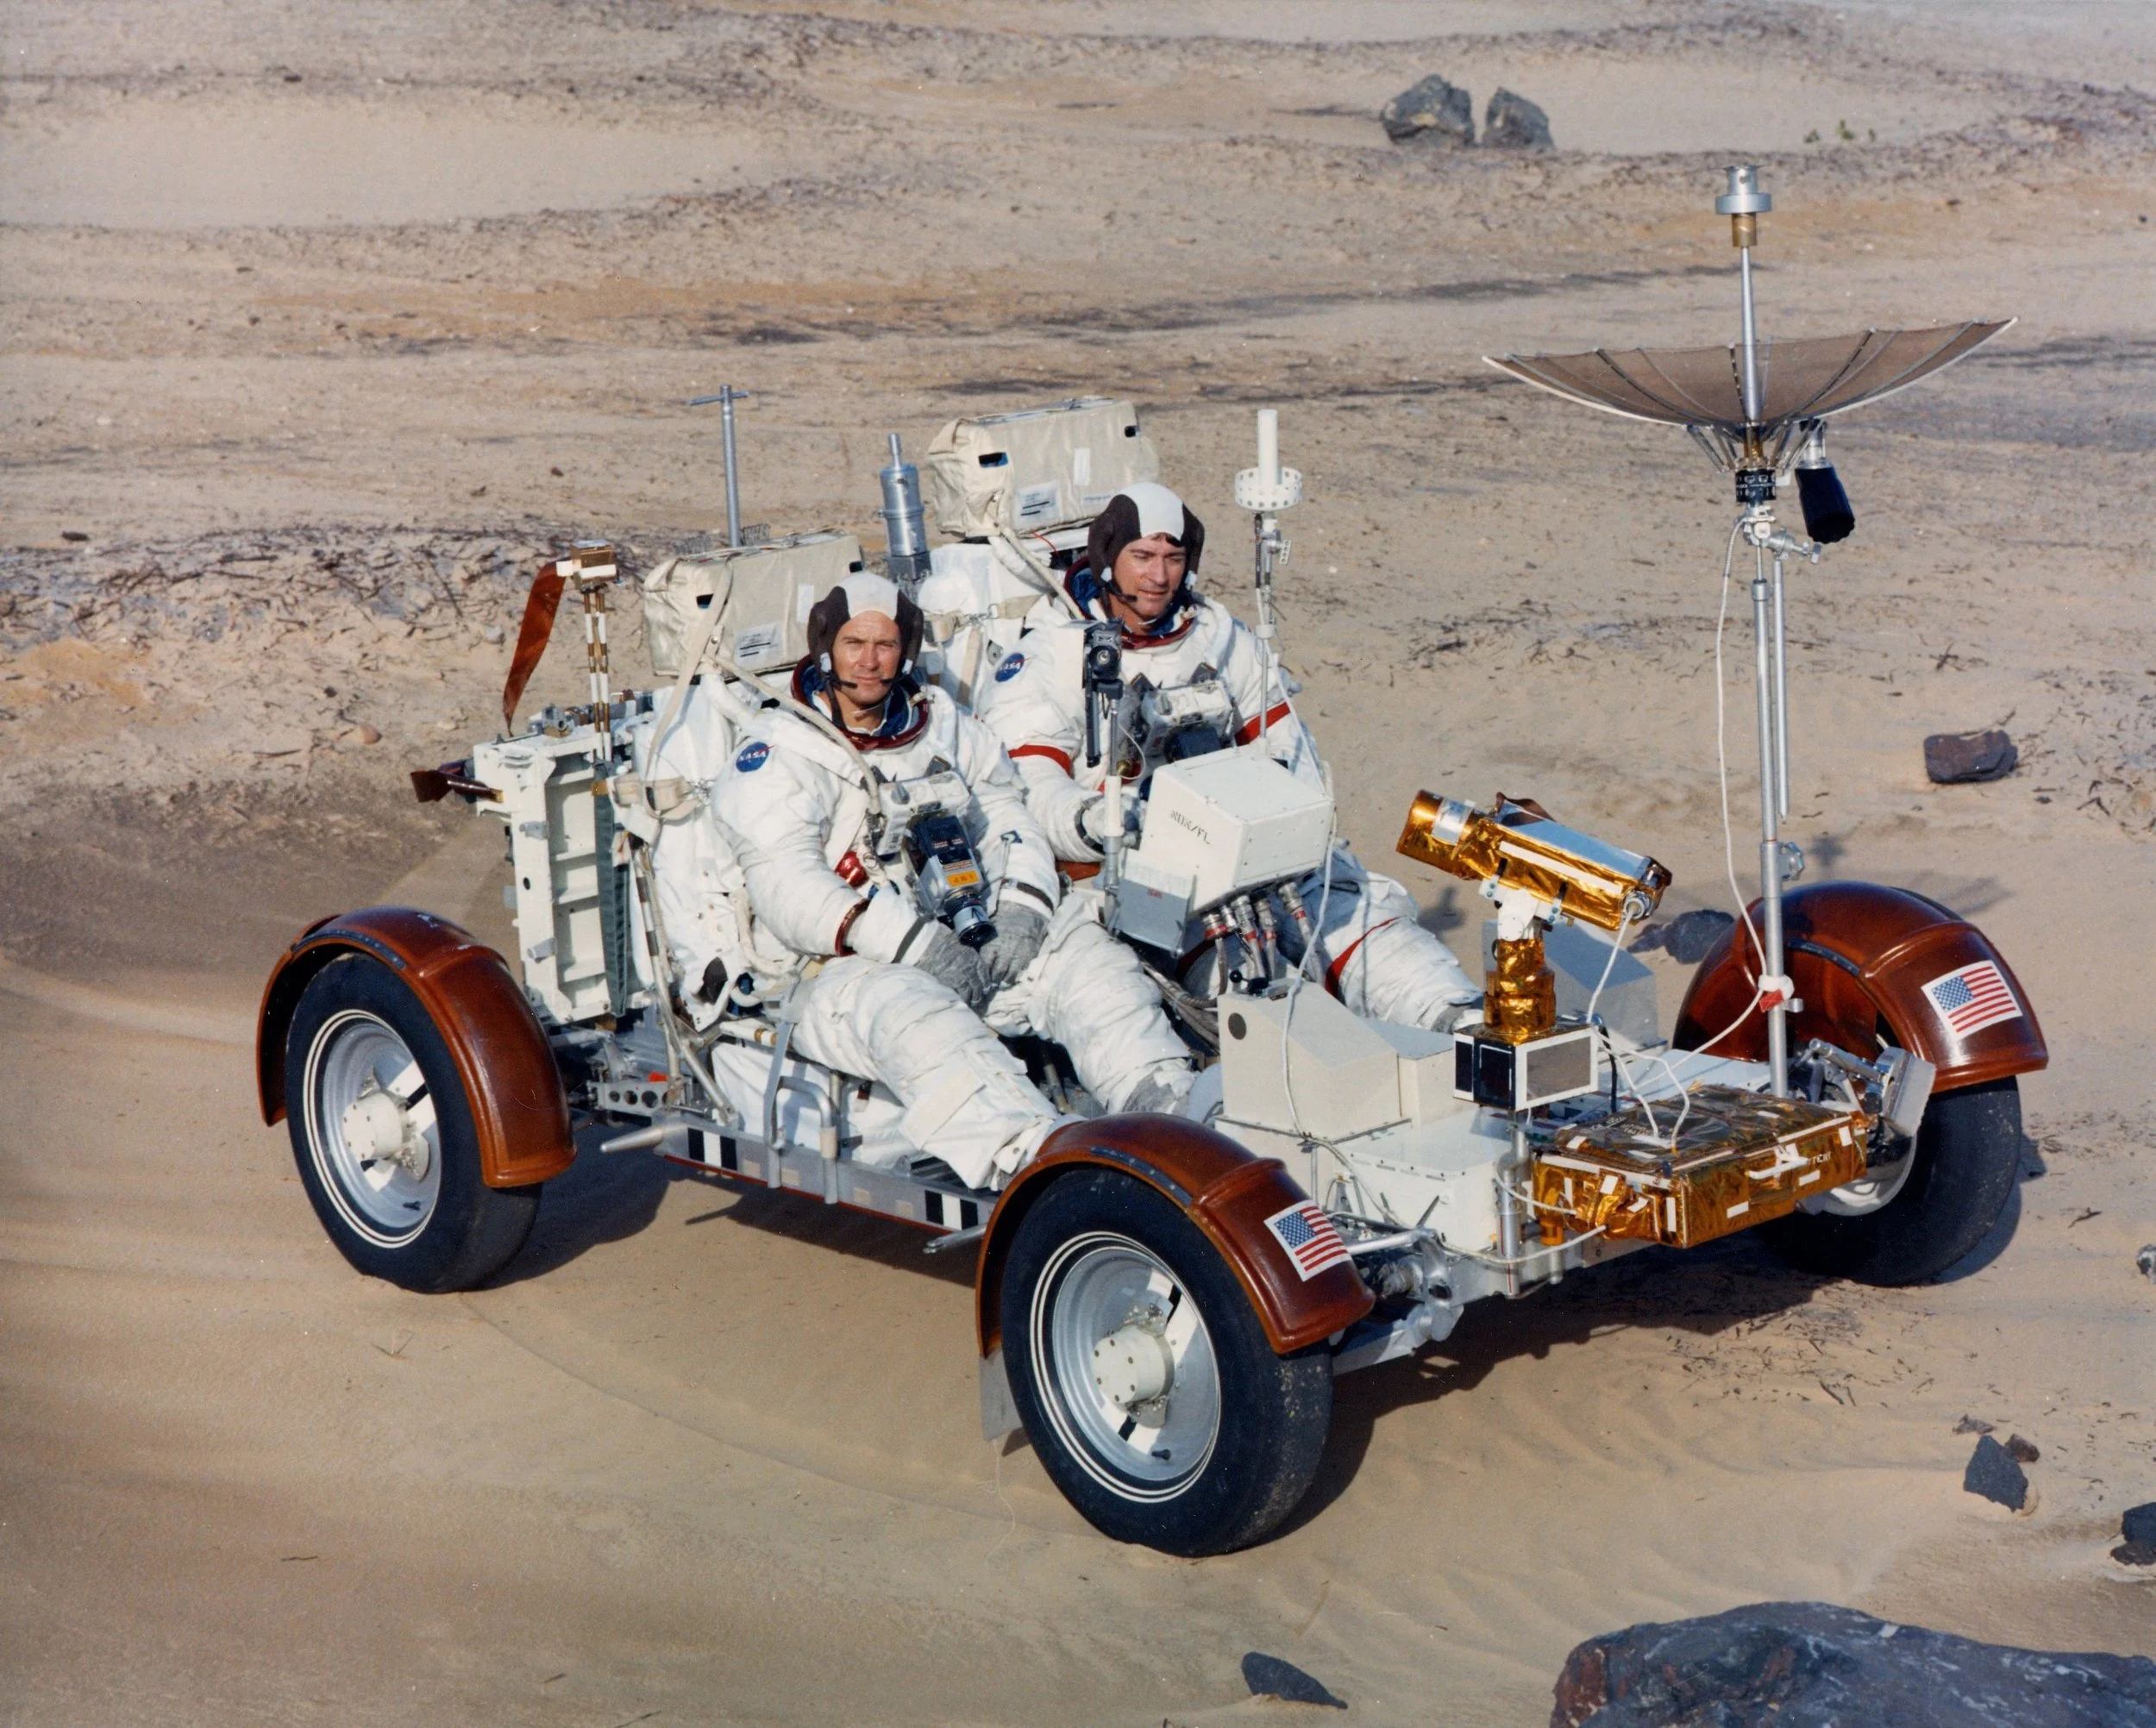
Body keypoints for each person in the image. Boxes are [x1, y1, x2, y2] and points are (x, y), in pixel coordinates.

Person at [708, 572, 1193, 1191]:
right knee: (921, 1022)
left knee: (1089, 967)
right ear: (826, 649)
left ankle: (1170, 1120)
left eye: (885, 645)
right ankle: (1044, 1170)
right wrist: (914, 945)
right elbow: (788, 886)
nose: (869, 662)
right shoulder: (782, 751)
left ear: (905, 649)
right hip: (840, 969)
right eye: (854, 644)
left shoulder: (939, 725)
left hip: (965, 927)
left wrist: (1022, 911)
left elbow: (1006, 807)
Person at [975, 483, 1481, 1032]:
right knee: (1236, 977)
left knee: (1348, 918)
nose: (1159, 576)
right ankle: (1286, 1056)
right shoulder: (1053, 653)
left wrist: (1283, 817)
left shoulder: (1217, 637)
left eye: (1173, 558)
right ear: (1106, 561)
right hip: (1123, 872)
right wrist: (1099, 821)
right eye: (1142, 557)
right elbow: (1030, 788)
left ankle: (1454, 1018)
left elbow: (1286, 744)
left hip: (1245, 851)